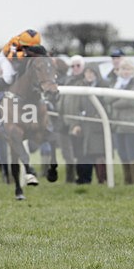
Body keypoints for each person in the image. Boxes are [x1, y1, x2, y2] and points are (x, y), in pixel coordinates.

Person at [109, 58, 134, 185]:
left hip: (132, 124)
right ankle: (127, 180)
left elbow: (130, 101)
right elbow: (107, 98)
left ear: (133, 71)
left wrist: (115, 102)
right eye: (123, 68)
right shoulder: (117, 83)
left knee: (132, 154)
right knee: (122, 153)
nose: (125, 71)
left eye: (128, 69)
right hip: (118, 124)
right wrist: (115, 99)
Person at [0, 29, 43, 103]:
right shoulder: (15, 42)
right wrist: (26, 55)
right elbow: (12, 58)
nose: (30, 49)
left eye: (33, 47)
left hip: (21, 60)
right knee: (9, 78)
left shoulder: (35, 44)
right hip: (7, 58)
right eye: (26, 47)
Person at [71, 65, 107, 184]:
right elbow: (75, 107)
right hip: (83, 127)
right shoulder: (79, 87)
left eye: (92, 72)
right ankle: (84, 180)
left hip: (98, 128)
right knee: (82, 155)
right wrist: (76, 124)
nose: (89, 75)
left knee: (99, 154)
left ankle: (103, 180)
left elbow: (108, 106)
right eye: (87, 72)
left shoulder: (104, 86)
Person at [57, 55, 86, 183]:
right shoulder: (68, 80)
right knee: (67, 153)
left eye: (78, 65)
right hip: (64, 121)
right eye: (72, 66)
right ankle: (70, 178)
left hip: (77, 122)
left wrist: (78, 123)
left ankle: (81, 178)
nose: (75, 68)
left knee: (78, 153)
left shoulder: (84, 81)